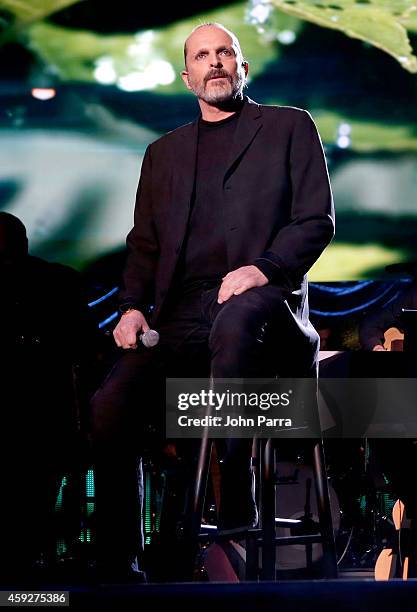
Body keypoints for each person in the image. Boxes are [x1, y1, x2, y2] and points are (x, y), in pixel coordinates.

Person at [90, 22, 335, 582]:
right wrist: (131, 306)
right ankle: (117, 558)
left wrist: (262, 269)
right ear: (188, 76)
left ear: (242, 67)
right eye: (203, 56)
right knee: (110, 404)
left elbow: (315, 220)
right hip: (180, 318)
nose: (216, 62)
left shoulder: (289, 126)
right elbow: (145, 246)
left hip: (267, 304)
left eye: (226, 52)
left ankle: (234, 486)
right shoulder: (163, 154)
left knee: (238, 315)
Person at [0, 212, 97, 584]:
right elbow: (87, 347)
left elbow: (86, 347)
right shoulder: (60, 281)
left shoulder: (57, 282)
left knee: (36, 497)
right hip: (46, 416)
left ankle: (30, 568)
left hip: (45, 415)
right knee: (35, 500)